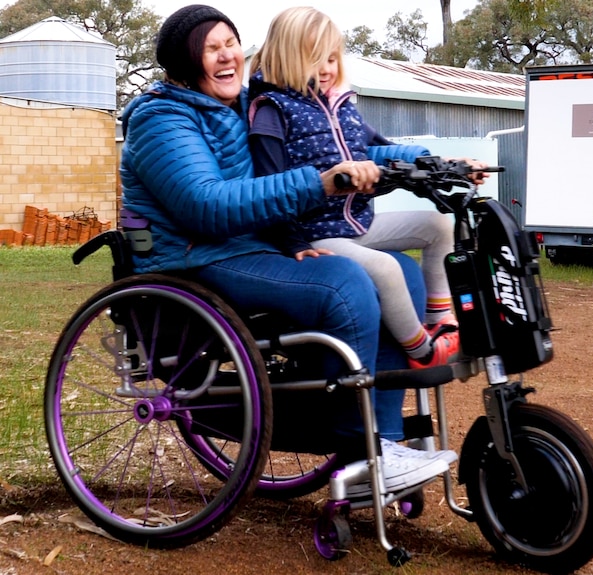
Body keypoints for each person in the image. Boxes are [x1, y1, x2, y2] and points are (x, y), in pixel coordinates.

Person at [119, 4, 455, 494]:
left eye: (230, 42)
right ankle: (360, 446)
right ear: (184, 63)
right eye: (210, 49)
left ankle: (388, 443)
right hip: (197, 258)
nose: (226, 55)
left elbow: (345, 149)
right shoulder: (161, 119)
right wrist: (317, 185)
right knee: (344, 283)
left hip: (261, 245)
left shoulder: (251, 102)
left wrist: (423, 162)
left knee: (400, 274)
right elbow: (206, 206)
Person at [246, 6, 485, 370]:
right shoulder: (271, 111)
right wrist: (292, 242)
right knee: (387, 268)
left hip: (358, 222)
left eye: (331, 57)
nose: (326, 68)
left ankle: (440, 321)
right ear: (287, 56)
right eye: (314, 59)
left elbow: (384, 149)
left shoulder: (341, 107)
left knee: (439, 226)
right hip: (317, 234)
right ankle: (422, 351)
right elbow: (269, 185)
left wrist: (447, 165)